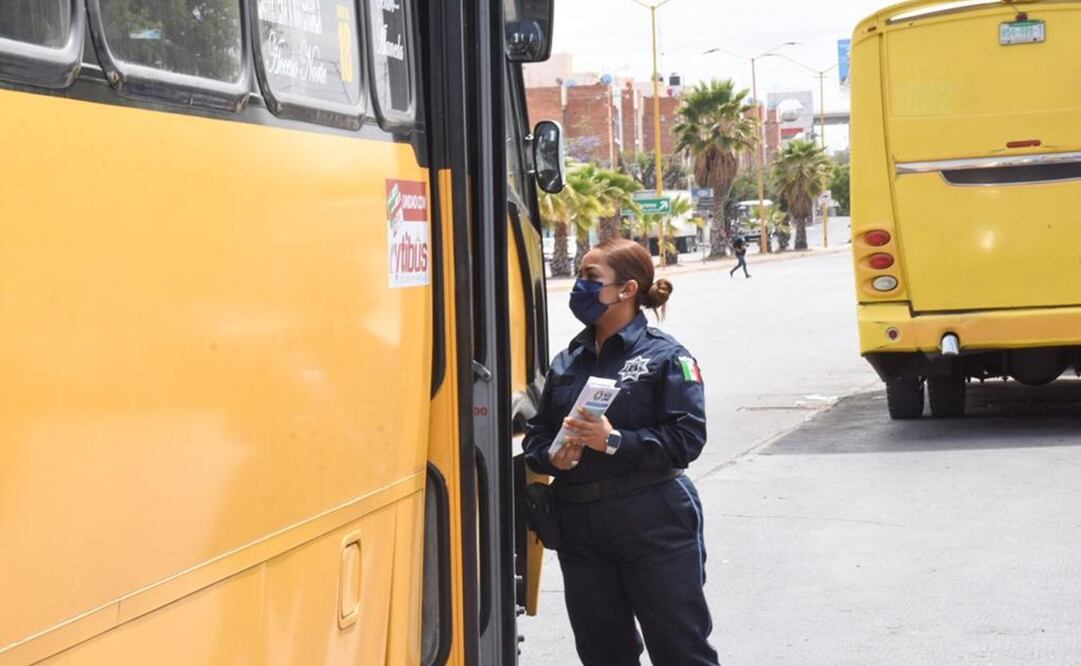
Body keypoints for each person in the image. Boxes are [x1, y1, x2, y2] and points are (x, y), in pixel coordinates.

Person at [523, 238, 720, 666]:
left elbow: (687, 440)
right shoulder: (566, 362)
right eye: (579, 275)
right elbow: (536, 437)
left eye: (591, 277)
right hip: (580, 528)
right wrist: (551, 455)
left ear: (627, 290)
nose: (580, 286)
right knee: (602, 654)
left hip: (653, 522)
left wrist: (613, 440)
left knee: (680, 650)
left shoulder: (665, 356)